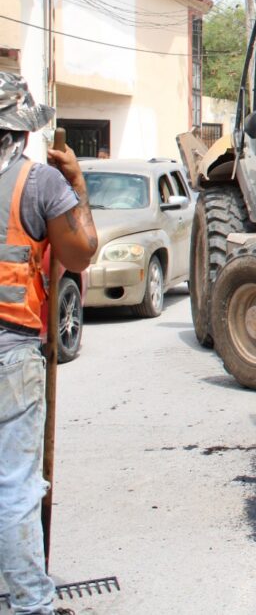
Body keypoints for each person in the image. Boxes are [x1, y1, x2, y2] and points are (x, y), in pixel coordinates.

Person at [0, 73, 98, 614]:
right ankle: (30, 603)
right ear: (19, 132)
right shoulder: (37, 184)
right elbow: (81, 254)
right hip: (11, 349)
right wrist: (77, 185)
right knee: (15, 486)